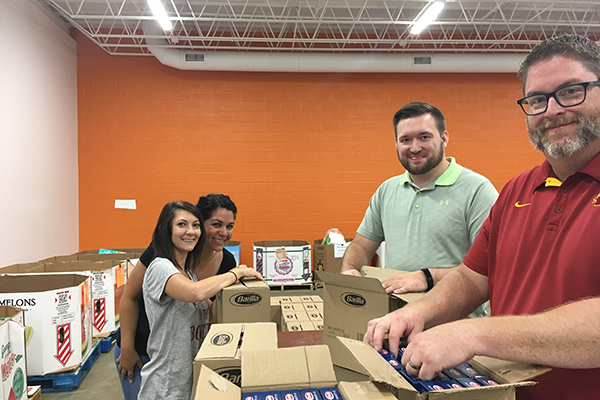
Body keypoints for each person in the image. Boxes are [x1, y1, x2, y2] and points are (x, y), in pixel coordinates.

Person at [363, 34, 600, 400]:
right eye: (537, 100)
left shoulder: (478, 188)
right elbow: (474, 278)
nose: (552, 110)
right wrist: (417, 314)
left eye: (571, 91)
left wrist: (471, 334)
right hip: (506, 392)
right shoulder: (518, 191)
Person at [340, 102, 497, 317]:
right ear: (396, 143)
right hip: (395, 320)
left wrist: (427, 277)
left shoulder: (477, 190)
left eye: (424, 137)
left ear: (444, 138)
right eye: (406, 140)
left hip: (454, 327)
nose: (414, 148)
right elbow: (361, 245)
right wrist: (349, 269)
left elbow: (492, 268)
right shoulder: (387, 190)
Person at [114, 194, 240, 400]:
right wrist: (127, 348)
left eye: (230, 226)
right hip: (143, 349)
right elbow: (130, 297)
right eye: (216, 224)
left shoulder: (222, 262)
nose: (224, 233)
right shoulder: (162, 259)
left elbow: (211, 309)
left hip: (182, 356)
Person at [137, 200, 263, 399]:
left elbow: (212, 313)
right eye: (181, 224)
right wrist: (235, 273)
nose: (191, 231)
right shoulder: (160, 267)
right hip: (165, 386)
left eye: (195, 225)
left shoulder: (189, 274)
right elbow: (195, 293)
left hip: (190, 381)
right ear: (164, 230)